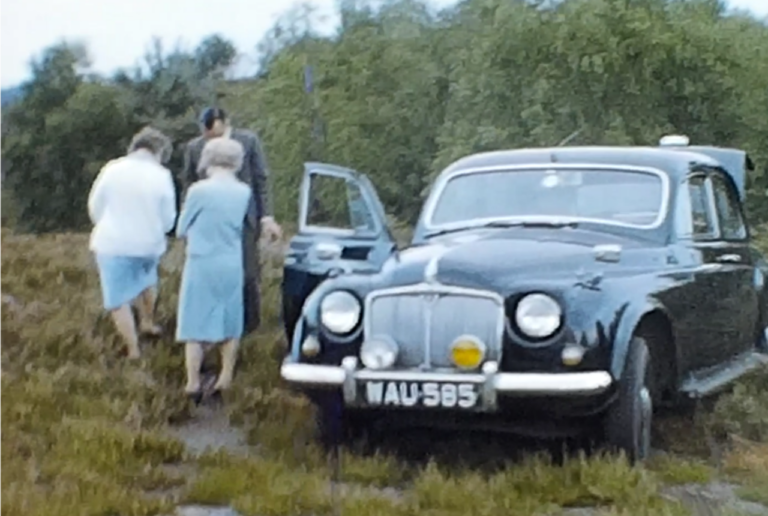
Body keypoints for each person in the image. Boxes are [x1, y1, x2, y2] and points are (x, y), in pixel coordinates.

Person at [181, 107, 281, 336]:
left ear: (226, 123)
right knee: (208, 273)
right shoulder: (194, 147)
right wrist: (188, 219)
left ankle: (249, 326)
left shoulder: (248, 141)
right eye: (207, 133)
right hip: (208, 221)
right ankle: (211, 323)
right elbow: (188, 184)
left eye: (215, 132)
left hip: (245, 219)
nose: (211, 138)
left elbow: (261, 180)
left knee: (247, 272)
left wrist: (266, 217)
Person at [176, 137, 255, 402]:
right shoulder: (243, 191)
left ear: (208, 158)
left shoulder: (199, 191)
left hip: (201, 261)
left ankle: (193, 383)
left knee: (194, 322)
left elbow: (181, 227)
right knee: (230, 319)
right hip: (231, 261)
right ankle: (225, 378)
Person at [87, 127, 176, 359]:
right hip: (149, 243)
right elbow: (169, 219)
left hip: (112, 243)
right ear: (159, 152)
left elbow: (95, 206)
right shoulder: (162, 175)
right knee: (147, 281)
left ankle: (133, 348)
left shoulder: (112, 169)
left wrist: (104, 223)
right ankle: (148, 322)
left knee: (117, 298)